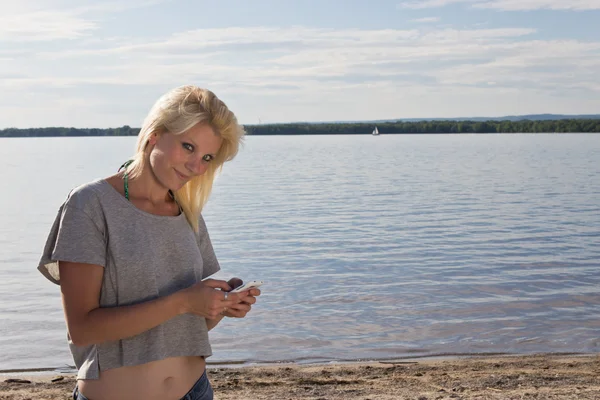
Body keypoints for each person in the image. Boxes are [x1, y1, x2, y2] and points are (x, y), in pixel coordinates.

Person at [37, 85, 261, 400]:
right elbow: (83, 329)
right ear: (155, 134)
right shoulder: (90, 204)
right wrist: (184, 300)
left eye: (207, 157)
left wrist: (218, 307)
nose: (196, 167)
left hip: (195, 391)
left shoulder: (188, 213)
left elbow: (175, 330)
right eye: (188, 147)